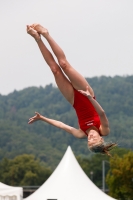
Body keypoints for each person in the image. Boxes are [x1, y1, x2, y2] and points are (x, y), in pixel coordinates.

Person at [27, 24, 117, 156]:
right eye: (94, 139)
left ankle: (37, 38)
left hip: (73, 100)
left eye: (89, 141)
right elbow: (102, 113)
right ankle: (46, 34)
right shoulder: (104, 130)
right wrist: (89, 97)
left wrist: (43, 118)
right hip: (87, 95)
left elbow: (62, 125)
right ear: (101, 138)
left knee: (55, 70)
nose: (90, 138)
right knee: (64, 65)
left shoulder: (81, 133)